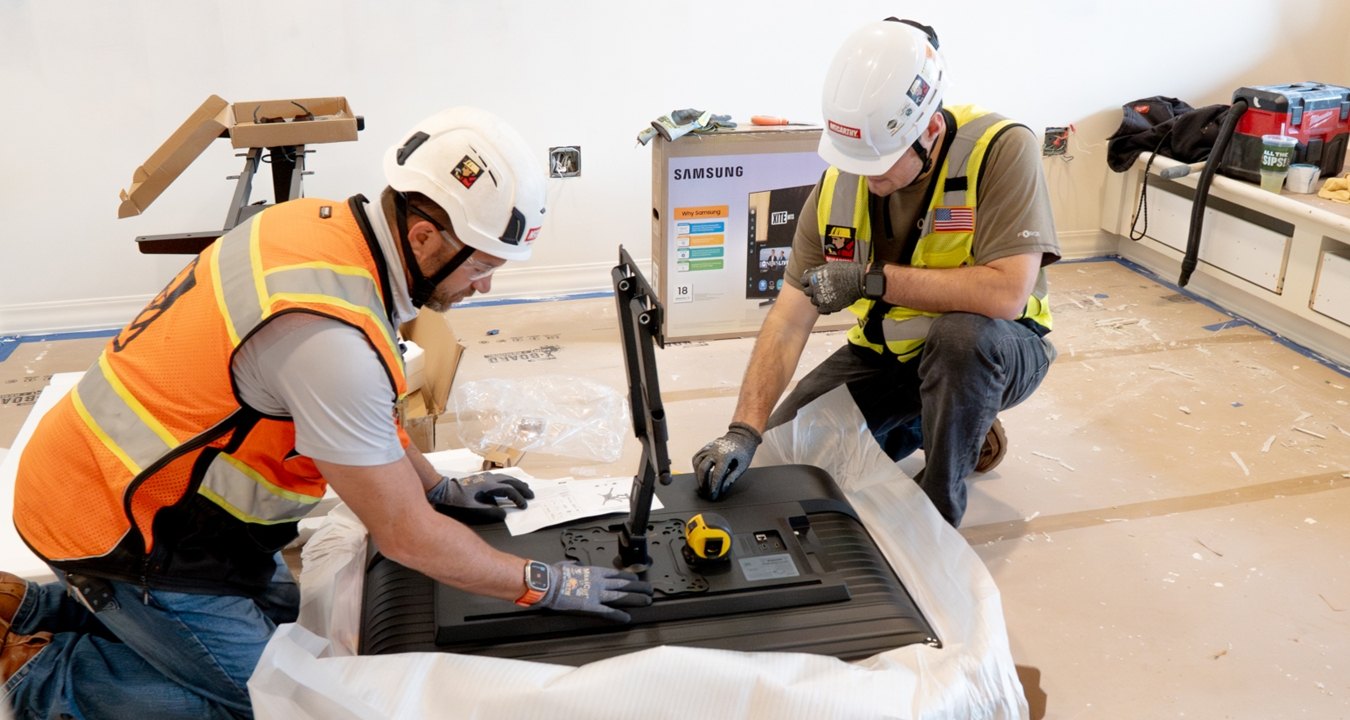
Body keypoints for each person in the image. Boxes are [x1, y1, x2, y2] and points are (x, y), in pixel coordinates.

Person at [5, 107, 652, 718]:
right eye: (481, 265)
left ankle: (27, 606)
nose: (485, 286)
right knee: (280, 699)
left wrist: (439, 485)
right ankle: (40, 676)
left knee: (299, 631)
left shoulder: (314, 229)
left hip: (130, 488)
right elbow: (406, 536)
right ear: (425, 237)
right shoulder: (329, 341)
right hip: (122, 530)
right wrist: (543, 583)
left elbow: (365, 415)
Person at [693, 18, 1060, 526]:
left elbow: (1006, 295)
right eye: (855, 159)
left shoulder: (1000, 149)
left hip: (997, 346)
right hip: (889, 357)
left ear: (929, 131)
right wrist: (744, 430)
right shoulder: (838, 183)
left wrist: (872, 279)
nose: (865, 175)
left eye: (880, 162)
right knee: (789, 458)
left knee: (960, 341)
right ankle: (949, 423)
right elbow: (788, 320)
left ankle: (937, 507)